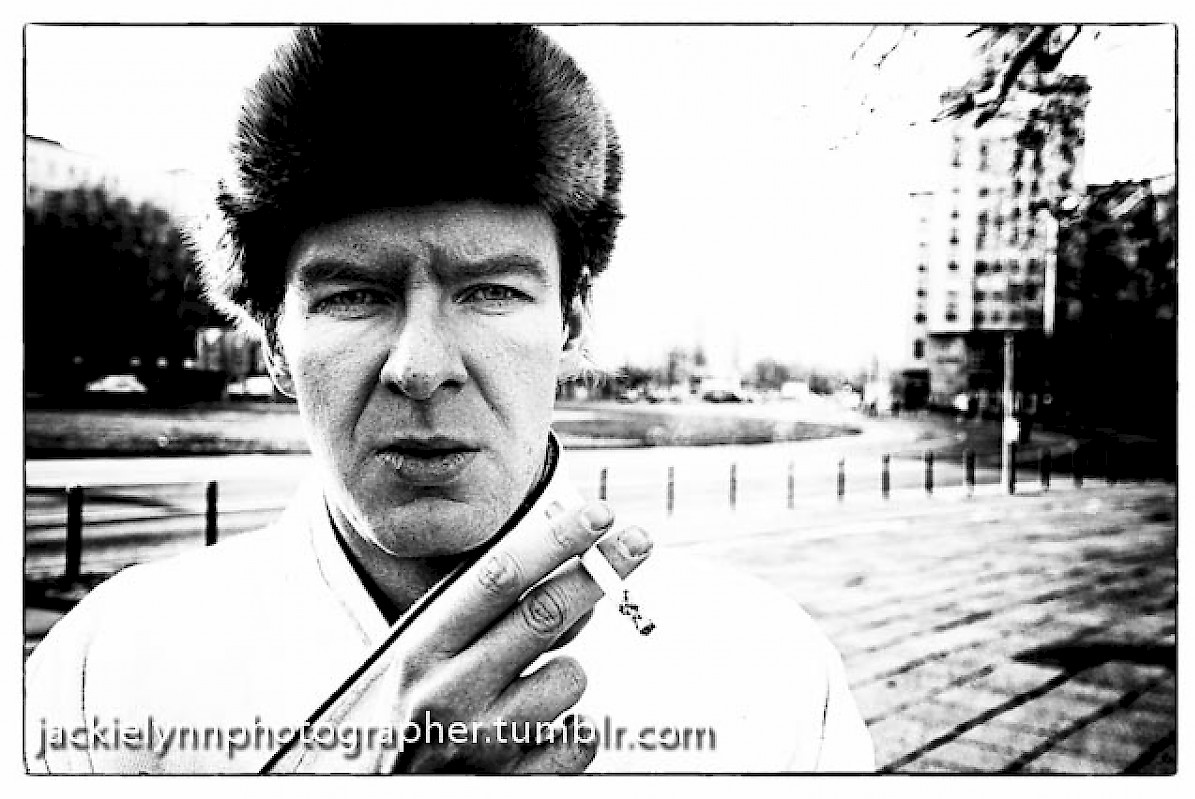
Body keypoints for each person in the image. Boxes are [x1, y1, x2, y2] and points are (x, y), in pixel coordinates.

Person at [24, 25, 873, 774]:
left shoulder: (767, 674)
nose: (421, 367)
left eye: (491, 291)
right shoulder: (107, 669)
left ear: (571, 323)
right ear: (275, 342)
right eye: (354, 295)